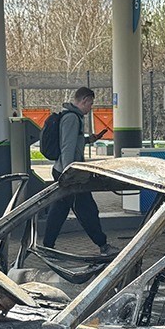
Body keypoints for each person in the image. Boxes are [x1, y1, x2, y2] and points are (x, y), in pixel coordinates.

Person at [42, 87, 117, 255]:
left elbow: (73, 141)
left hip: (64, 171)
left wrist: (90, 139)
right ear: (84, 100)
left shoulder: (71, 116)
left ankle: (47, 246)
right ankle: (103, 246)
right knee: (87, 210)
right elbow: (67, 147)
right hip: (69, 173)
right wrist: (70, 173)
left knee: (60, 211)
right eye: (90, 103)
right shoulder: (72, 118)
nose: (91, 107)